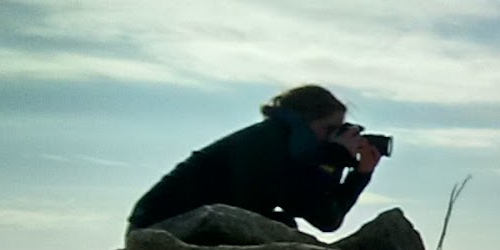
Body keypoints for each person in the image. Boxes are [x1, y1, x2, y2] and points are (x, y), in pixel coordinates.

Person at [128, 85, 383, 233]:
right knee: (281, 230)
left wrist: (359, 174)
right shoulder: (266, 141)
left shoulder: (295, 154)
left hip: (196, 224)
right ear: (302, 123)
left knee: (283, 226)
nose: (333, 137)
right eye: (329, 129)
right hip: (160, 227)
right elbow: (251, 207)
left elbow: (326, 219)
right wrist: (329, 160)